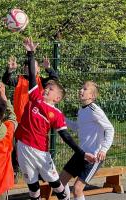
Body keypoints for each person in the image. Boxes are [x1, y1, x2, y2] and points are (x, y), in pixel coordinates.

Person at [15, 37, 96, 200]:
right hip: (23, 146)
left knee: (57, 186)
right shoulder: (35, 97)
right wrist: (30, 53)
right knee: (32, 187)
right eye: (46, 87)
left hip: (41, 152)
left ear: (57, 98)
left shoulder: (56, 114)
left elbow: (65, 136)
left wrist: (81, 153)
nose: (46, 90)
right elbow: (32, 75)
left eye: (50, 89)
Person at [2, 53, 59, 183]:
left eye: (34, 66)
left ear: (38, 69)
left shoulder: (41, 81)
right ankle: (14, 170)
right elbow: (6, 80)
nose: (30, 69)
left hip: (36, 122)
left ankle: (41, 171)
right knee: (16, 147)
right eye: (28, 67)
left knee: (39, 146)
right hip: (20, 121)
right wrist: (9, 71)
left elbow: (55, 80)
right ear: (24, 69)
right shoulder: (19, 79)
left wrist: (49, 68)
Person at [59, 81, 115, 200]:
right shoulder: (82, 110)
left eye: (85, 89)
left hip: (93, 157)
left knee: (77, 189)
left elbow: (110, 129)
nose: (81, 90)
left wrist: (103, 150)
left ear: (92, 96)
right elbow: (77, 127)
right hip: (81, 153)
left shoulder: (95, 110)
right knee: (60, 183)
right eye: (81, 88)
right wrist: (61, 118)